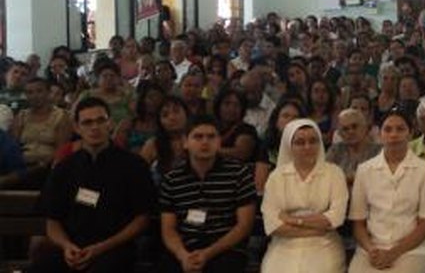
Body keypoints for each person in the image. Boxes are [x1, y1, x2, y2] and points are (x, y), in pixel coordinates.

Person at [31, 97, 156, 273]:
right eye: (87, 122)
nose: (94, 127)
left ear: (110, 123)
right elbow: (53, 220)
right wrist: (67, 246)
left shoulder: (134, 165)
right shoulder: (64, 168)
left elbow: (142, 219)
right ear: (77, 128)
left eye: (100, 120)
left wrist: (100, 248)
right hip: (71, 248)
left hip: (114, 249)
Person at [159, 114, 256, 273]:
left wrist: (207, 253)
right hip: (184, 249)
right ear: (185, 142)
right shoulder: (172, 179)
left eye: (211, 137)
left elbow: (244, 226)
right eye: (198, 137)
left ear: (219, 142)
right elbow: (168, 229)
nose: (205, 142)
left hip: (225, 249)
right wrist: (182, 255)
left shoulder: (239, 173)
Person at [350, 109, 425, 273]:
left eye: (400, 129)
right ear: (380, 133)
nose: (393, 134)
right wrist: (372, 250)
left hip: (411, 250)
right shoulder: (365, 170)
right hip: (371, 249)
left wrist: (393, 253)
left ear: (411, 133)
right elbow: (358, 223)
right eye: (388, 129)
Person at [261, 119, 348, 273]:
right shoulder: (277, 176)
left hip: (324, 244)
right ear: (290, 146)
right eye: (300, 142)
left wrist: (292, 219)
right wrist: (317, 226)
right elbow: (273, 225)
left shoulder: (334, 173)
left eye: (313, 141)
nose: (307, 147)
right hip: (284, 245)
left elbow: (335, 218)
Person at [326, 108, 379, 186]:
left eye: (354, 126)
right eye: (345, 129)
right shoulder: (335, 151)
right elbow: (326, 176)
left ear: (365, 128)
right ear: (340, 134)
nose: (351, 132)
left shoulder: (379, 151)